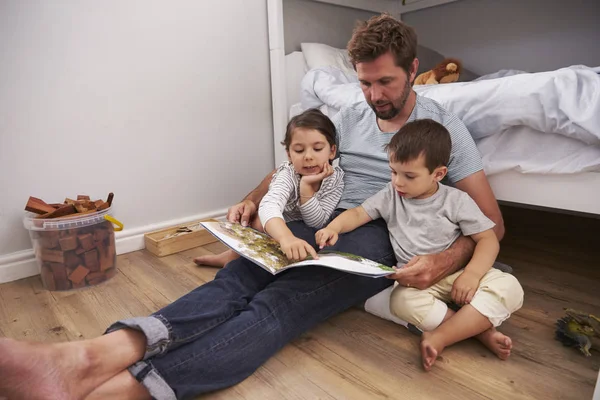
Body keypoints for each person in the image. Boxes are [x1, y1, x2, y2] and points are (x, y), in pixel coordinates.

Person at [0, 14, 506, 400]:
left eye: (386, 83)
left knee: (280, 303)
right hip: (321, 217)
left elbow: (491, 224)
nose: (374, 96)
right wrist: (251, 200)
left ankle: (132, 390)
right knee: (236, 281)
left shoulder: (443, 129)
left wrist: (442, 261)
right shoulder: (350, 115)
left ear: (414, 70)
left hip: (380, 234)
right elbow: (301, 164)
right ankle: (88, 357)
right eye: (365, 83)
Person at [316, 119, 524, 371]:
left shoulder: (455, 200)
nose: (398, 182)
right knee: (400, 301)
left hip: (457, 274)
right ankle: (479, 331)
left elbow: (488, 239)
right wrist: (333, 227)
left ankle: (440, 336)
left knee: (510, 287)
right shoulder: (391, 195)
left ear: (438, 174)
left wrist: (471, 275)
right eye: (393, 172)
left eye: (409, 176)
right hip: (416, 284)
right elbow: (359, 213)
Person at [193, 108, 344, 267]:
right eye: (299, 150)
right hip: (277, 225)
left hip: (302, 228)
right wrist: (285, 237)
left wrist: (306, 189)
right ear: (289, 154)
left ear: (332, 151)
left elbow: (318, 222)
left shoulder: (336, 179)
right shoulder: (288, 173)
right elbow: (269, 205)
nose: (308, 156)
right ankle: (234, 256)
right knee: (258, 219)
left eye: (317, 149)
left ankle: (235, 257)